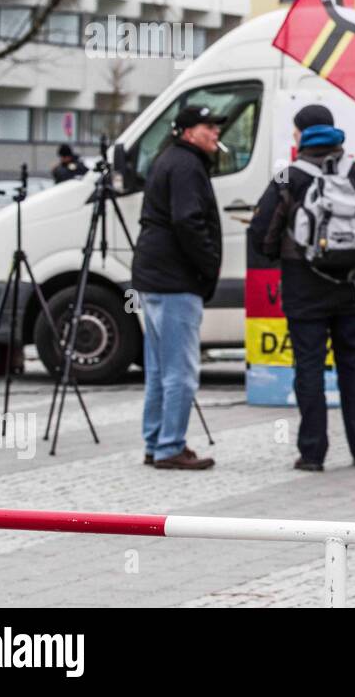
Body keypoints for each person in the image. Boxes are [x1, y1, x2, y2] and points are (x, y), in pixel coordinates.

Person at [248, 104, 355, 471]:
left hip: (303, 291)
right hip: (353, 290)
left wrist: (283, 256)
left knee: (309, 369)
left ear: (302, 134)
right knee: (353, 369)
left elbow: (260, 235)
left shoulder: (288, 178)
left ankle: (312, 453)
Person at [131, 106, 225, 470]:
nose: (216, 131)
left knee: (158, 370)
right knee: (181, 372)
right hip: (175, 279)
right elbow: (188, 221)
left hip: (155, 277)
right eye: (209, 126)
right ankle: (170, 446)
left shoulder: (169, 159)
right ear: (188, 132)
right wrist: (208, 264)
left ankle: (156, 442)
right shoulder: (187, 166)